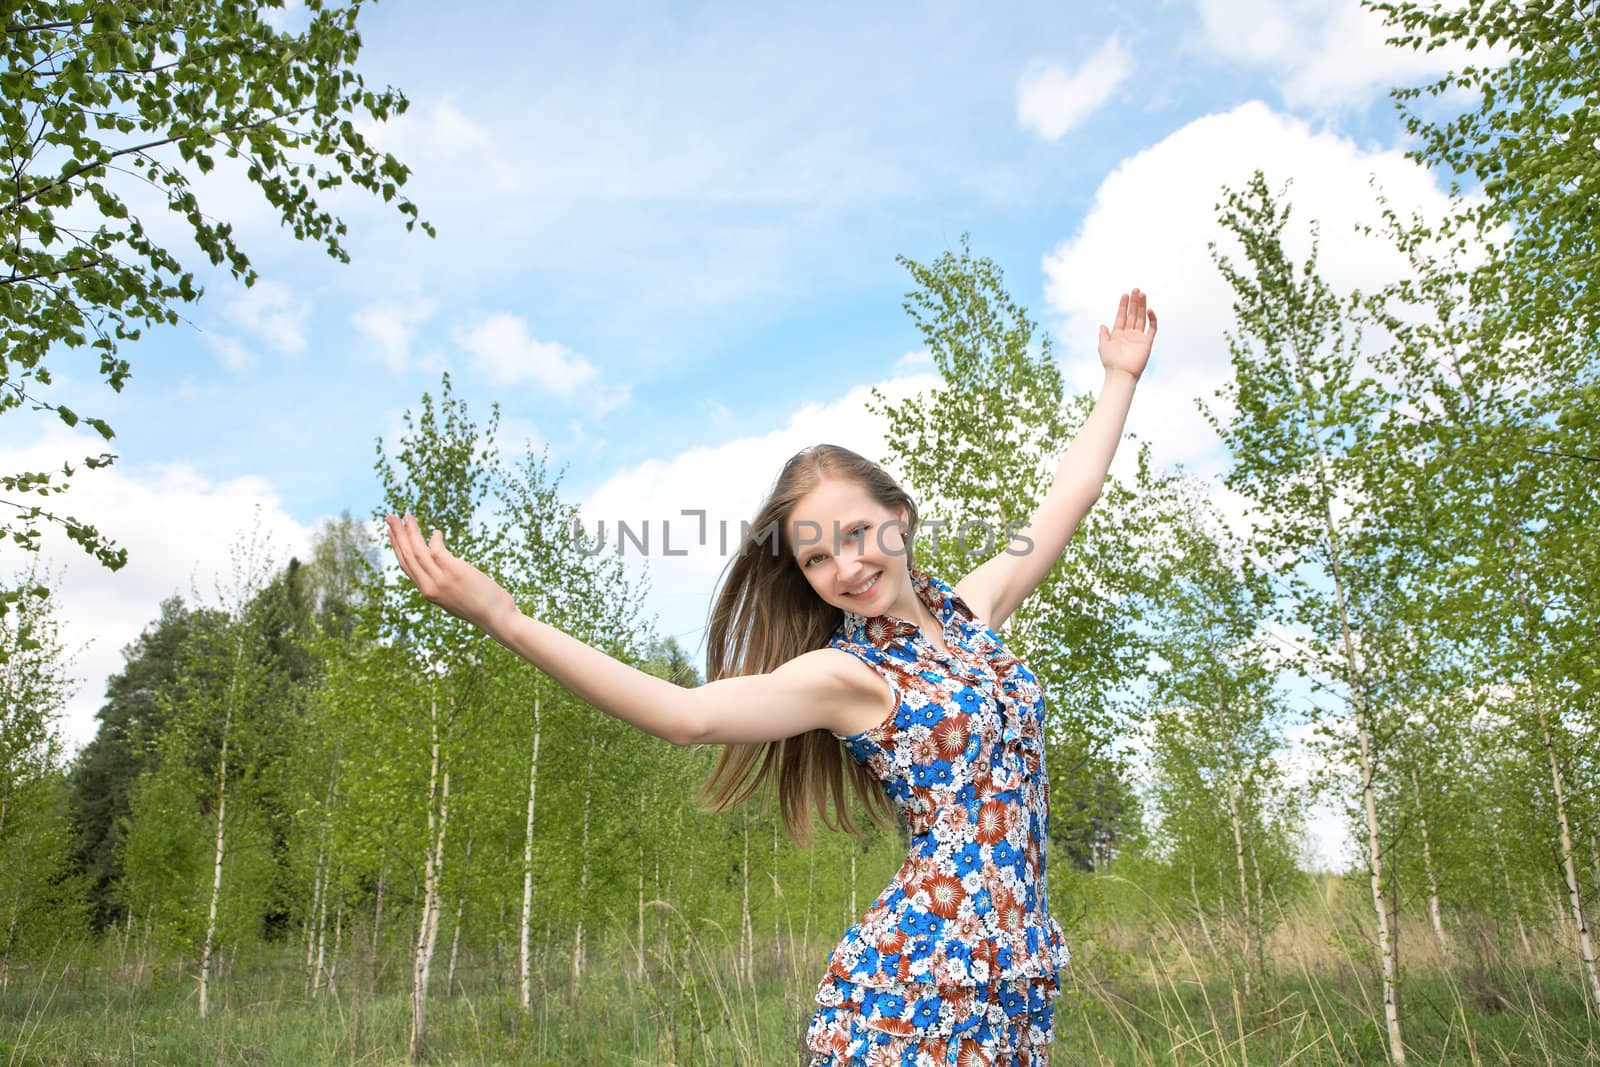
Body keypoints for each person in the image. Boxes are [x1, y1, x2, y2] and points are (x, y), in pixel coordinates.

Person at [384, 288, 1156, 1066]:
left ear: (900, 515)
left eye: (857, 533)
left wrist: (1119, 376)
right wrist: (506, 619)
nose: (846, 567)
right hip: (917, 992)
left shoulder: (975, 614)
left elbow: (1070, 494)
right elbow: (684, 714)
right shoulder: (847, 674)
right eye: (817, 555)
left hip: (1017, 980)